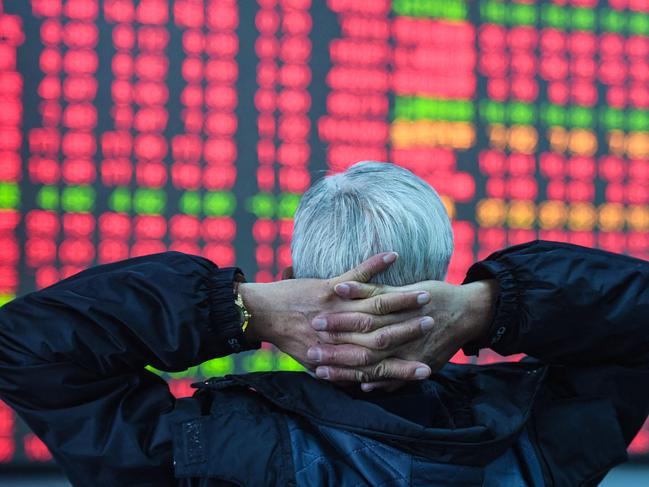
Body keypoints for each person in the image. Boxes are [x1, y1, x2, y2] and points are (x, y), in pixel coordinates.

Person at [0, 162, 646, 486]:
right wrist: (491, 304)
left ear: (291, 276)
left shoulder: (205, 447)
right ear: (443, 276)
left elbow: (22, 344)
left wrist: (238, 309)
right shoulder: (542, 432)